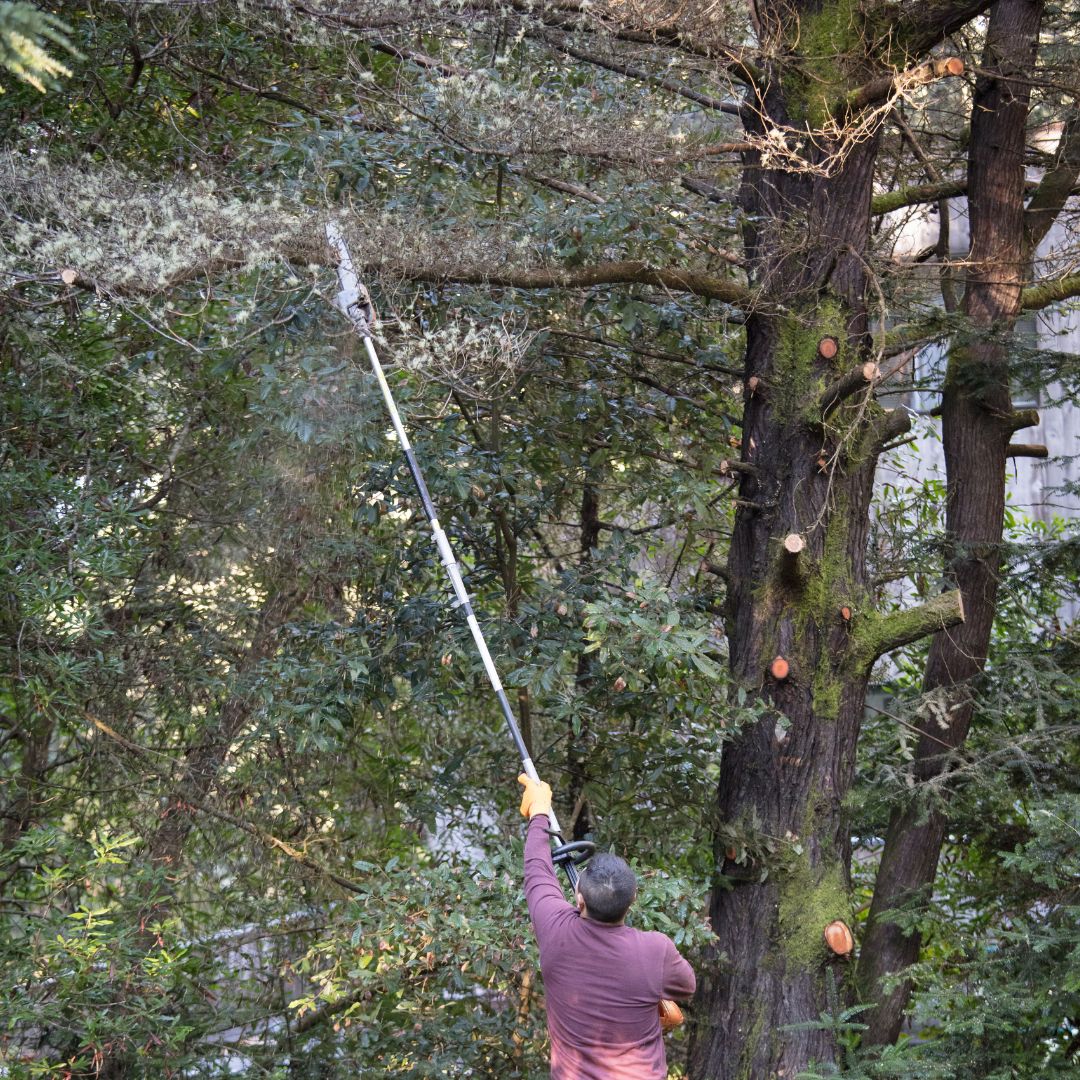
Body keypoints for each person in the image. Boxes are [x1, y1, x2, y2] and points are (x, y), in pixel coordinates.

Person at [517, 774, 696, 1079]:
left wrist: (539, 813)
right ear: (633, 899)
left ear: (579, 898)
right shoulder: (655, 950)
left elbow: (537, 871)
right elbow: (687, 986)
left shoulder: (555, 929)